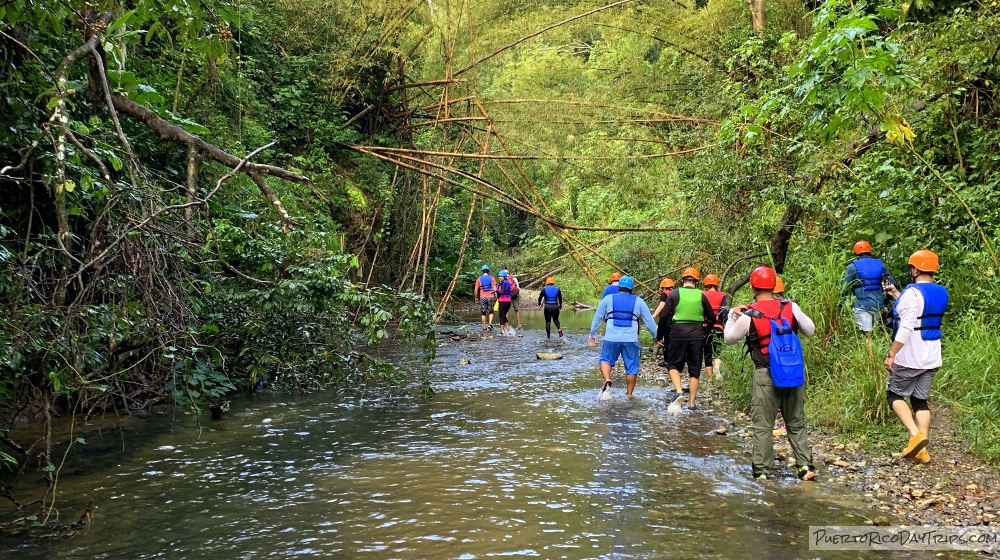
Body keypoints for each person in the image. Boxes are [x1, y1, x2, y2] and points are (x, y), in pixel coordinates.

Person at [724, 266, 817, 481]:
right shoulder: (790, 307)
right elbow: (810, 330)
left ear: (753, 287)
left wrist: (732, 315)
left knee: (763, 425)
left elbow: (729, 339)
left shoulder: (749, 315)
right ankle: (804, 466)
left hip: (765, 374)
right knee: (796, 422)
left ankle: (763, 472)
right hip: (792, 373)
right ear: (774, 285)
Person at [883, 250, 947, 465]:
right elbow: (919, 309)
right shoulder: (940, 291)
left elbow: (907, 325)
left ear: (916, 268)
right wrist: (896, 294)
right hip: (932, 356)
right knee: (920, 400)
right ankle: (922, 450)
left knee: (894, 394)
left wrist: (892, 354)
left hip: (911, 356)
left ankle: (915, 436)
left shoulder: (912, 294)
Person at [588, 275, 658, 397]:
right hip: (630, 339)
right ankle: (629, 395)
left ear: (619, 286)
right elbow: (649, 322)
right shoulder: (639, 301)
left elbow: (597, 317)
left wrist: (592, 334)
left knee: (605, 360)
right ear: (631, 288)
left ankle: (607, 379)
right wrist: (655, 337)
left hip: (611, 338)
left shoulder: (608, 299)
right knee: (631, 367)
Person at [662, 268, 716, 411]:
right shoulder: (702, 296)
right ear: (696, 282)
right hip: (697, 335)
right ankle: (691, 404)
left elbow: (663, 317)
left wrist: (660, 335)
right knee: (694, 370)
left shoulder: (674, 294)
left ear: (682, 280)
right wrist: (705, 330)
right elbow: (712, 318)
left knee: (672, 365)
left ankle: (679, 391)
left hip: (677, 334)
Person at [842, 241, 896, 332]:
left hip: (862, 306)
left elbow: (845, 290)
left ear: (856, 253)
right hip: (878, 306)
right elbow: (890, 286)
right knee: (876, 334)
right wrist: (884, 302)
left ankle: (868, 345)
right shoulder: (880, 265)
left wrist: (841, 307)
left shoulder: (852, 267)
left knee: (867, 335)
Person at [702, 274, 727, 383]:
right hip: (718, 327)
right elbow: (724, 313)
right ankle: (717, 367)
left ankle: (710, 379)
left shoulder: (702, 294)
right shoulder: (722, 295)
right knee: (718, 351)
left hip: (706, 327)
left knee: (707, 353)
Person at [651, 278, 675, 367]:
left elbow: (661, 307)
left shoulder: (665, 295)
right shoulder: (675, 294)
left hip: (667, 319)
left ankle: (667, 361)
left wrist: (653, 316)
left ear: (664, 288)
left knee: (667, 339)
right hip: (676, 319)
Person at [474, 265, 496, 331]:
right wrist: (496, 297)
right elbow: (495, 289)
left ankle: (484, 327)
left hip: (482, 297)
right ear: (488, 271)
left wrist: (476, 298)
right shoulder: (492, 278)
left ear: (482, 271)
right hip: (490, 296)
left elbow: (475, 290)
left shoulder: (479, 279)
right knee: (491, 311)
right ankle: (490, 324)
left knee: (483, 312)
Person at [496, 270, 514, 335]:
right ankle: (508, 330)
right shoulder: (507, 283)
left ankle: (502, 331)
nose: (500, 277)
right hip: (508, 301)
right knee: (503, 315)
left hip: (503, 301)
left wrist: (496, 290)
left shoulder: (503, 283)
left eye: (501, 276)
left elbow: (502, 292)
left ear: (504, 277)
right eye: (499, 276)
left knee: (501, 316)